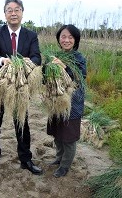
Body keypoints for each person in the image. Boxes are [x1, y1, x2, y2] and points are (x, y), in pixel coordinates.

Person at [0, 0, 42, 175]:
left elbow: (37, 57)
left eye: (17, 9)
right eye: (9, 10)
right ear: (5, 14)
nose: (13, 13)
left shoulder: (31, 35)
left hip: (21, 85)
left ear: (22, 12)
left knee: (21, 121)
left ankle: (26, 158)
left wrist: (27, 62)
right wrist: (2, 60)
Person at [46, 24, 87, 178]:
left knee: (68, 137)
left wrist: (63, 67)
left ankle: (65, 166)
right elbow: (46, 77)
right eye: (63, 36)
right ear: (59, 39)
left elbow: (80, 78)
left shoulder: (79, 58)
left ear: (75, 40)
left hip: (72, 104)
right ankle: (59, 158)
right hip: (56, 102)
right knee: (57, 134)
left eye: (70, 37)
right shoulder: (54, 56)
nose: (66, 40)